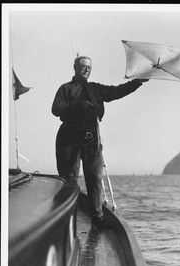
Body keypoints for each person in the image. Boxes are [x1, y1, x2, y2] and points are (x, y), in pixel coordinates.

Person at [51, 54, 148, 229]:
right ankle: (67, 221)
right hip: (69, 139)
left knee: (95, 179)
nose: (87, 69)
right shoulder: (65, 89)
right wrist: (76, 106)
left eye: (89, 67)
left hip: (91, 139)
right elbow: (56, 109)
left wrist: (138, 82)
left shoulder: (95, 89)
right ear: (75, 67)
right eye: (83, 66)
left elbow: (117, 91)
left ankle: (97, 217)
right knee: (69, 180)